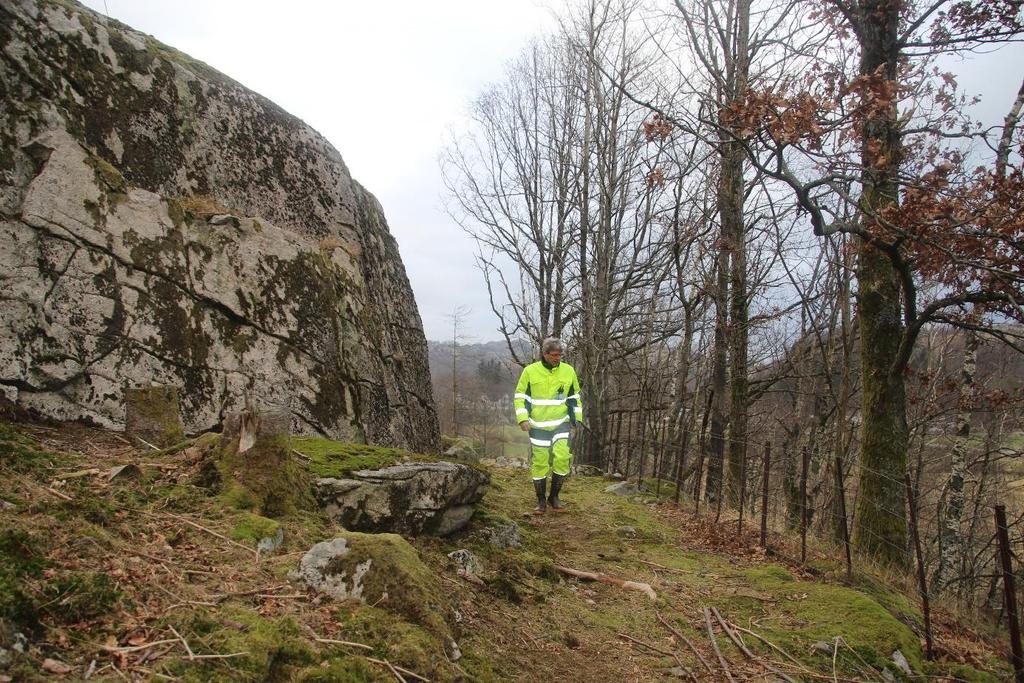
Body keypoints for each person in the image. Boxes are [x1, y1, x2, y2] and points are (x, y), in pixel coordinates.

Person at [512, 337, 583, 514]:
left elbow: (574, 397)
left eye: (560, 355)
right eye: (554, 355)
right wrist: (523, 418)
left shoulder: (568, 371)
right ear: (544, 354)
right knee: (540, 462)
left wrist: (576, 419)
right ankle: (541, 501)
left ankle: (554, 496)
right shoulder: (530, 371)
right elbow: (521, 397)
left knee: (561, 457)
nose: (557, 358)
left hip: (561, 423)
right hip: (538, 426)